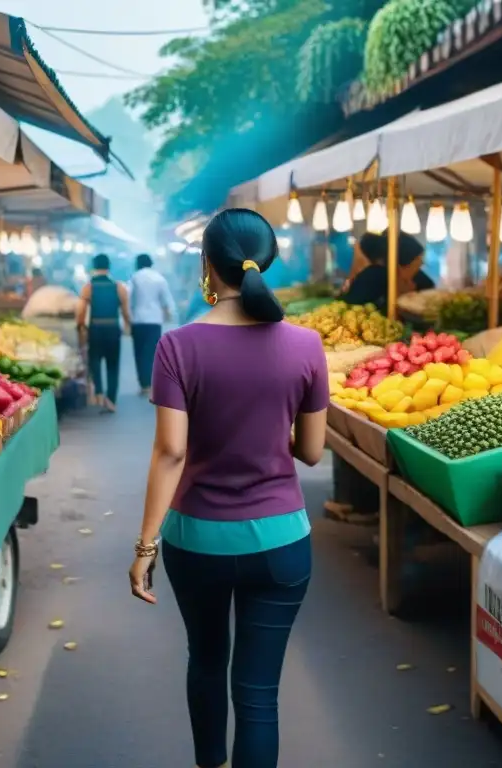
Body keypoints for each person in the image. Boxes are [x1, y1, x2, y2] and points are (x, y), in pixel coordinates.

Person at [129, 208, 328, 768]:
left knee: (207, 662)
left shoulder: (177, 347)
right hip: (281, 544)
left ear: (206, 266)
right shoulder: (307, 346)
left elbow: (171, 451)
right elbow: (311, 451)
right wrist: (266, 431)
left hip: (198, 544)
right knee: (259, 695)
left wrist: (145, 547)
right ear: (265, 263)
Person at [76, 254, 131, 413]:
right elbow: (126, 312)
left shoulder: (88, 287)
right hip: (113, 329)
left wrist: (80, 326)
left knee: (95, 361)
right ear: (109, 267)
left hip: (96, 329)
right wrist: (128, 326)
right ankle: (111, 400)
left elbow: (81, 311)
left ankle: (99, 392)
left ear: (94, 266)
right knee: (113, 365)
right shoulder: (119, 287)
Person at [341, 232, 431, 310]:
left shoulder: (418, 279)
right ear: (401, 266)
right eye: (417, 262)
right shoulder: (375, 276)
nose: (421, 264)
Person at [129, 253, 176, 395]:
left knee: (139, 353)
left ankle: (144, 385)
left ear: (137, 263)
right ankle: (152, 383)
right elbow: (166, 300)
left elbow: (129, 298)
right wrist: (169, 315)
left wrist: (126, 318)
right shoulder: (159, 278)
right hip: (155, 320)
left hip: (137, 320)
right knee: (152, 352)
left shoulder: (134, 278)